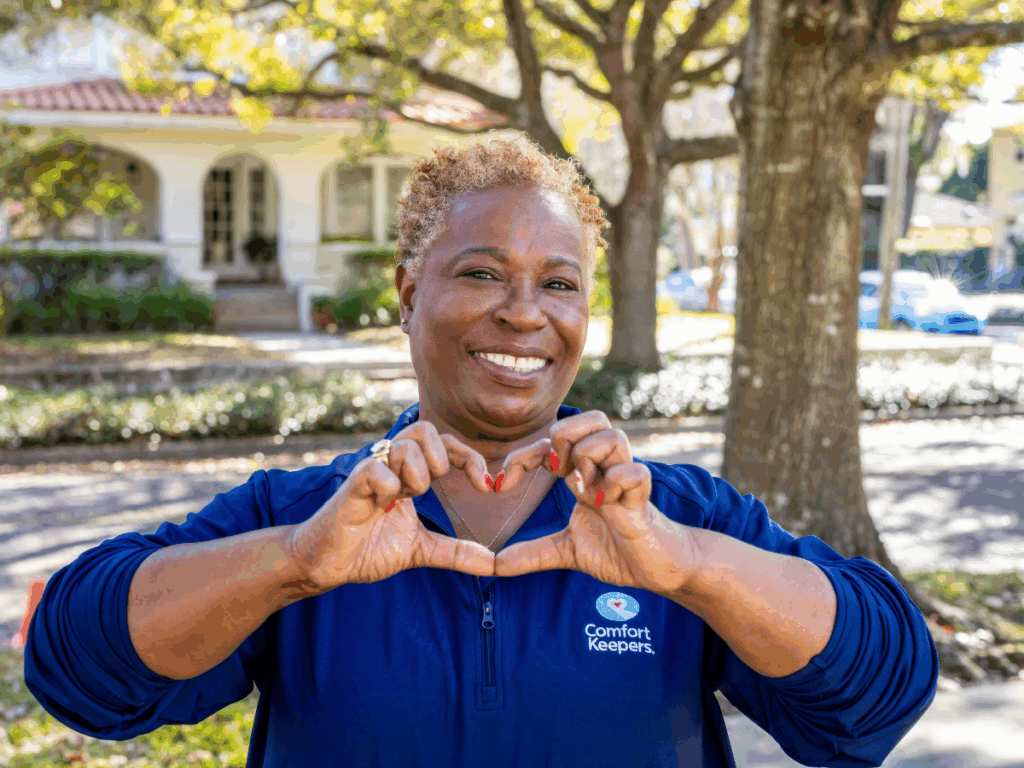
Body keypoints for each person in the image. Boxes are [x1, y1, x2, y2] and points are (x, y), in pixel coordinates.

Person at [24, 135, 938, 768]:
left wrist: (693, 567)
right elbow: (77, 665)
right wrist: (294, 566)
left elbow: (875, 699)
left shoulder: (677, 518)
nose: (524, 312)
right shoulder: (303, 517)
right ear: (407, 291)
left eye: (559, 283)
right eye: (481, 273)